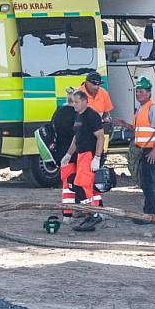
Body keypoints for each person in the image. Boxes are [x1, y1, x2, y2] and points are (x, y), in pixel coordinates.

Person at [114, 77, 155, 225]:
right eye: (137, 91)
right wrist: (124, 124)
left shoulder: (152, 108)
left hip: (151, 150)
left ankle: (149, 214)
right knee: (145, 180)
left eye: (141, 91)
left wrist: (154, 151)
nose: (138, 94)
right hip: (144, 149)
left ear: (149, 93)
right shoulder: (142, 109)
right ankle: (148, 212)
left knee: (148, 181)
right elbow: (139, 130)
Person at [62, 90, 105, 232]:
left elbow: (100, 137)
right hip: (81, 154)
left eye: (77, 102)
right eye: (73, 102)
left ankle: (94, 214)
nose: (75, 104)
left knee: (85, 185)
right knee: (79, 184)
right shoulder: (79, 116)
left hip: (89, 154)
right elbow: (76, 137)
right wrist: (68, 154)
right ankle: (89, 213)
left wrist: (97, 157)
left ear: (85, 101)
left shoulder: (91, 116)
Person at [53, 87, 80, 223]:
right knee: (83, 183)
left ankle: (67, 215)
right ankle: (88, 211)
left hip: (62, 154)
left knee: (67, 186)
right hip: (77, 154)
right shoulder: (77, 115)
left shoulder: (58, 112)